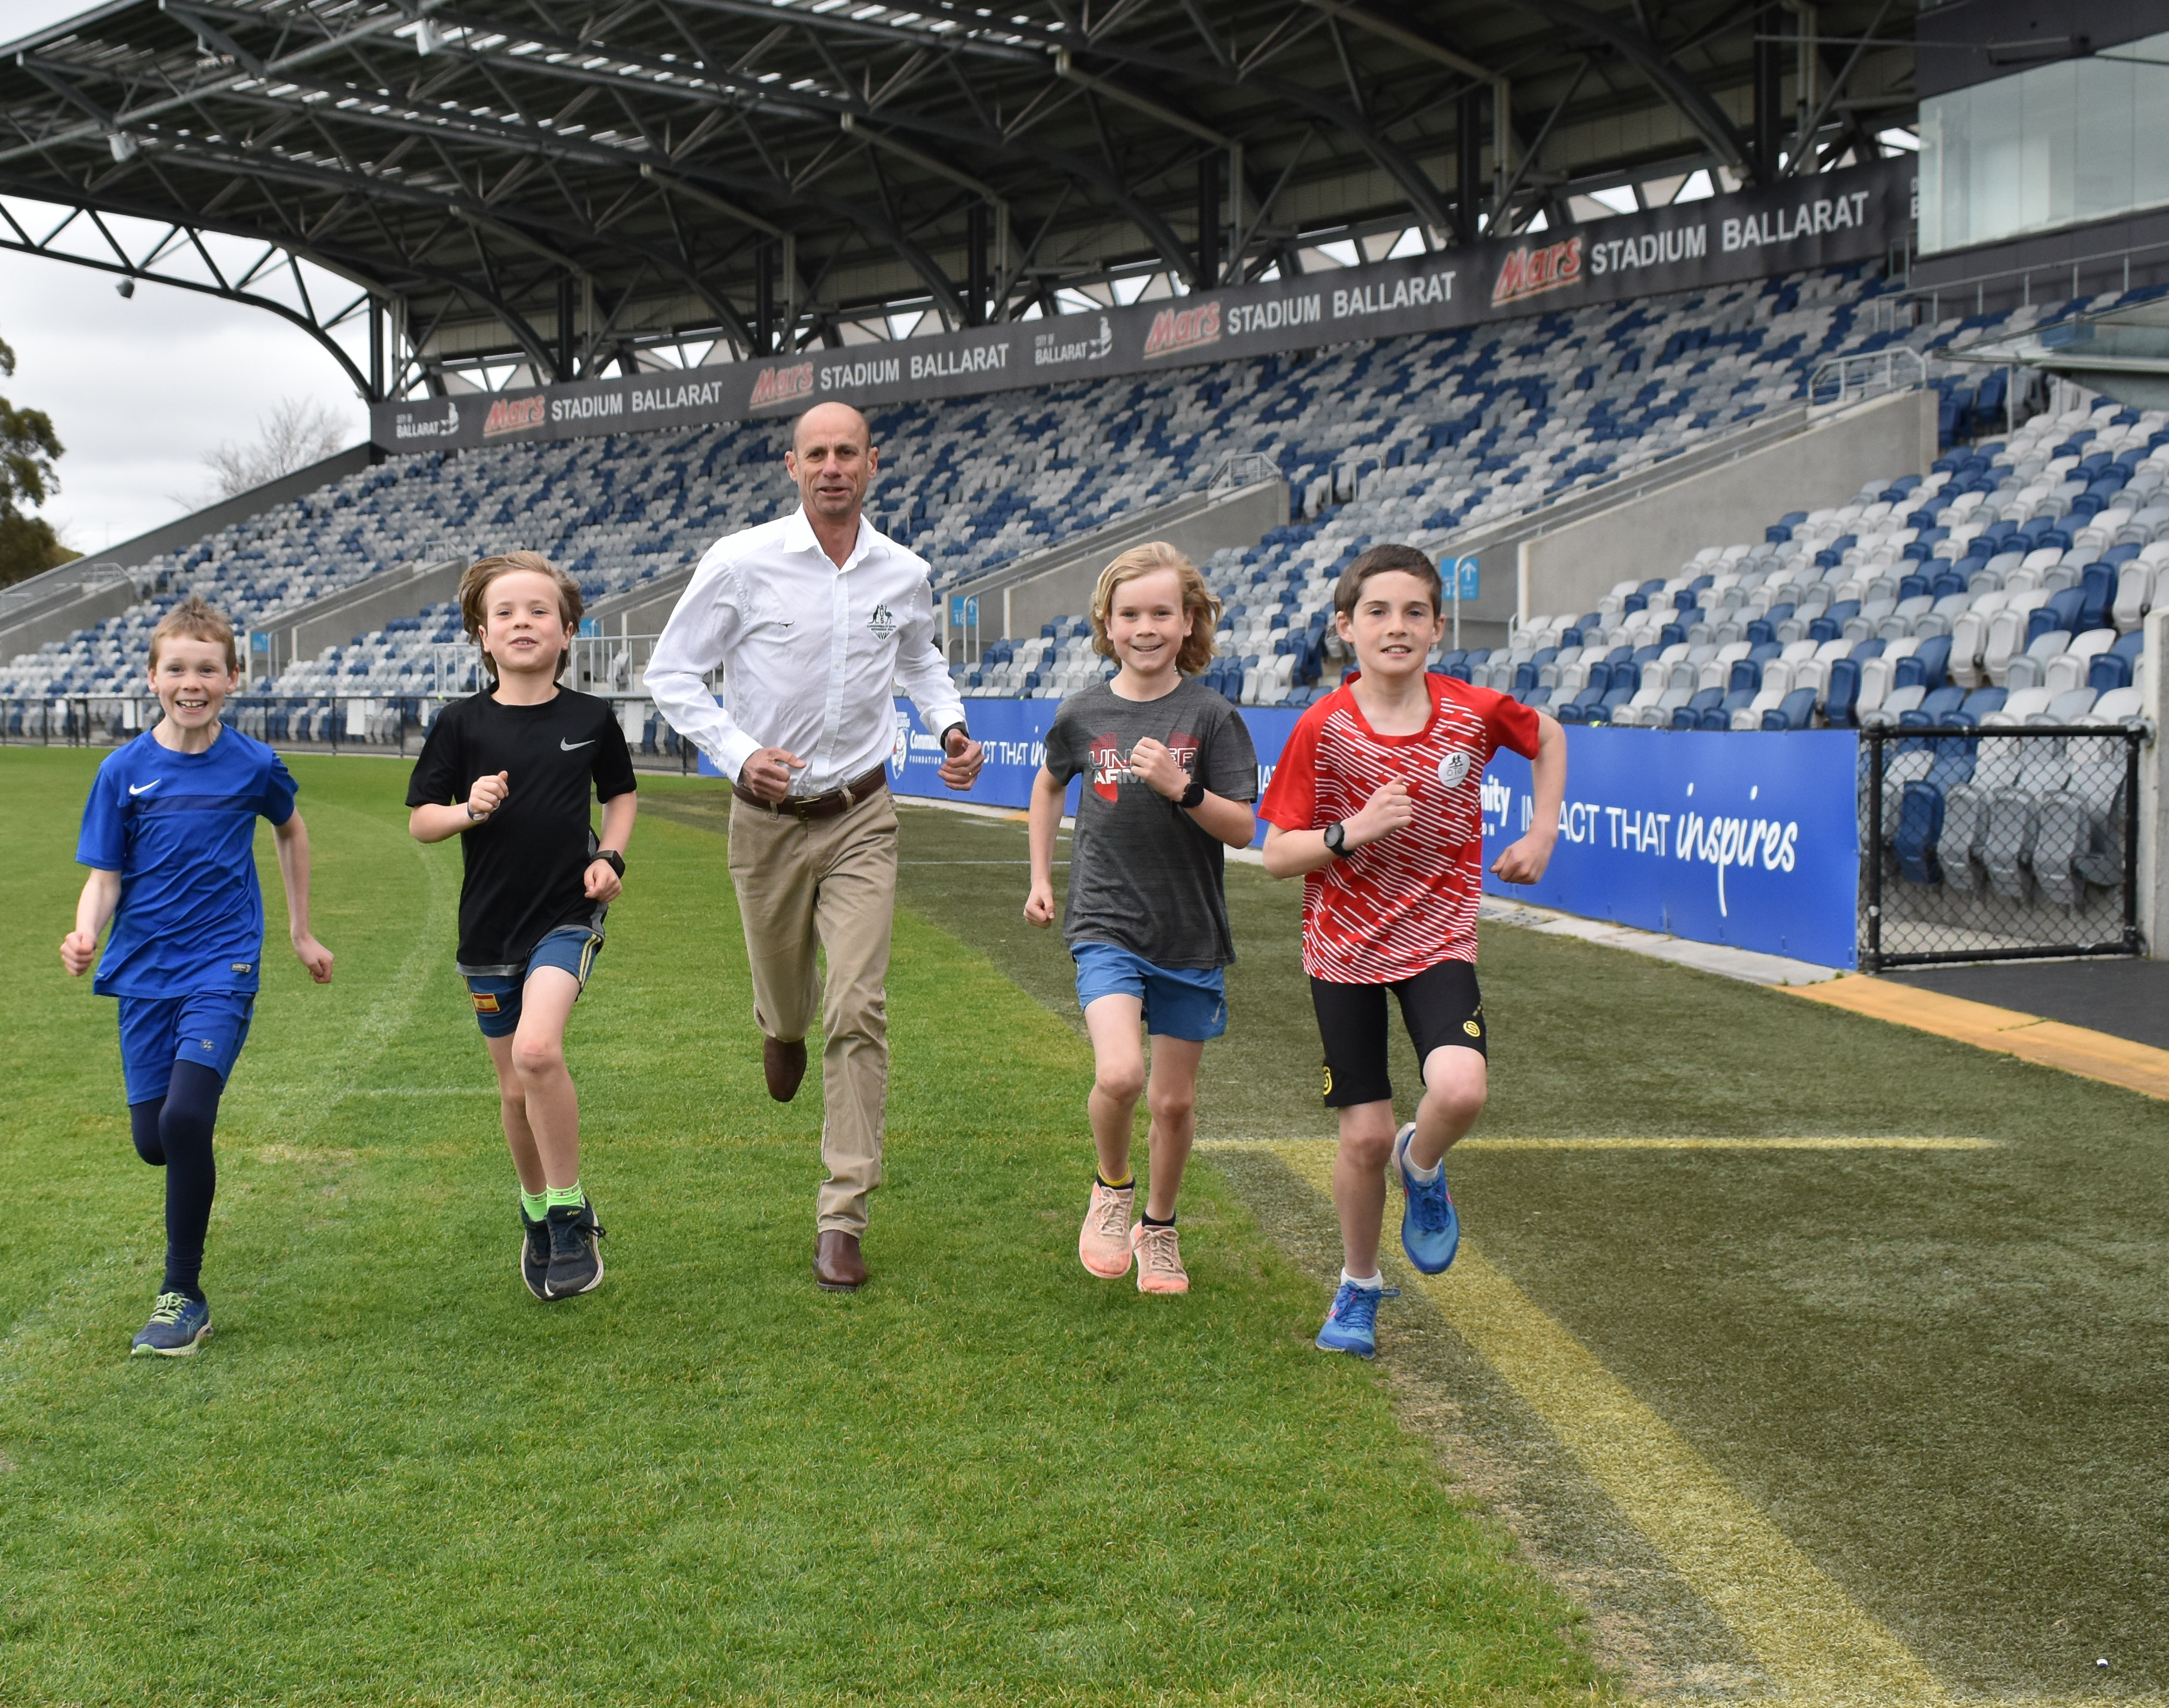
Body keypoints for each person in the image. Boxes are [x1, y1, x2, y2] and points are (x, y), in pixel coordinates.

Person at [645, 401, 981, 1290]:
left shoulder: (904, 571)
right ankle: (776, 1025)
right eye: (816, 454)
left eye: (848, 452)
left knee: (859, 1006)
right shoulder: (740, 562)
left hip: (863, 815)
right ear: (791, 467)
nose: (833, 466)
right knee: (795, 1008)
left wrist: (948, 727)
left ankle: (843, 1214)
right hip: (765, 824)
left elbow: (920, 661)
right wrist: (740, 754)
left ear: (873, 463)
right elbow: (670, 673)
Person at [1252, 543, 1564, 1357]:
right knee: (1359, 1138)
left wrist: (1541, 830)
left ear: (1437, 626)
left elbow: (1551, 737)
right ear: (1345, 629)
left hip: (1438, 939)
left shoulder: (1471, 711)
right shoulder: (1323, 728)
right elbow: (1278, 854)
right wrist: (1349, 834)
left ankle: (1421, 1168)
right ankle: (1358, 1289)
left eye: (1414, 612)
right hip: (1344, 951)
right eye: (1378, 613)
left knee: (1459, 1092)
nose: (1397, 627)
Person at [60, 599, 335, 1356]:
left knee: (185, 1121)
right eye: (176, 668)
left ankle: (183, 1291)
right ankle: (184, 1222)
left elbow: (290, 828)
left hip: (224, 963)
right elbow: (104, 876)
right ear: (152, 678)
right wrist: (86, 931)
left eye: (207, 668)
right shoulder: (122, 771)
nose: (192, 681)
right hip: (145, 971)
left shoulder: (251, 764)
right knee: (156, 1140)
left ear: (232, 679)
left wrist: (300, 930)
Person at [1022, 542, 1260, 1297]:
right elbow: (1047, 787)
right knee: (1121, 1074)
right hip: (1105, 921)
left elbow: (1243, 829)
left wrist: (1182, 788)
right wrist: (1039, 876)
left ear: (1190, 622)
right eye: (1131, 613)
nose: (1147, 626)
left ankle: (1159, 1227)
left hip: (1189, 931)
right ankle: (1111, 1185)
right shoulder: (1083, 712)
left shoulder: (1213, 715)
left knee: (1174, 1099)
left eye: (1163, 612)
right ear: (1106, 622)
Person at [407, 551, 639, 1300]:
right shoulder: (459, 724)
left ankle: (570, 1213)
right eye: (504, 613)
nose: (522, 623)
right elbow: (421, 822)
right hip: (487, 930)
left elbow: (623, 796)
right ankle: (537, 1209)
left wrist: (611, 856)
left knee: (539, 1051)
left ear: (568, 631)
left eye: (539, 611)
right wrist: (468, 808)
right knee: (513, 1090)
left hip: (566, 917)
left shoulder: (591, 717)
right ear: (482, 634)